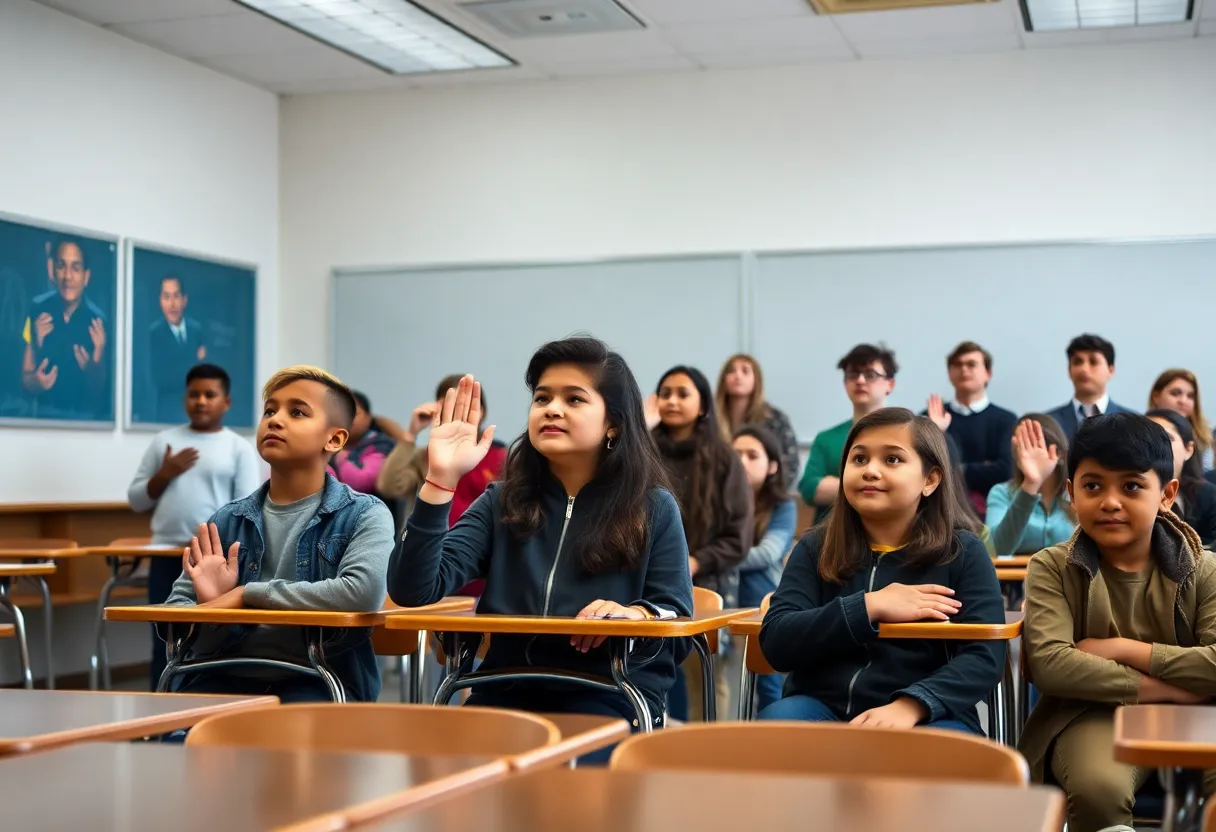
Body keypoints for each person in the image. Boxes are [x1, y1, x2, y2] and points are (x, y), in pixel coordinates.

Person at [386, 338, 694, 754]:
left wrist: (635, 613)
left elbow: (676, 614)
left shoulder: (652, 506)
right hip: (502, 689)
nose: (551, 408)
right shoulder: (502, 500)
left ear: (613, 423)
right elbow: (412, 590)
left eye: (575, 399)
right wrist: (440, 480)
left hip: (610, 692)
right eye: (542, 397)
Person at [1018, 413, 1216, 832]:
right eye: (1093, 486)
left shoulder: (1205, 568)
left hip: (1206, 717)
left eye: (1131, 486)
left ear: (1166, 494)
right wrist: (1173, 692)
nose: (1110, 501)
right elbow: (1053, 665)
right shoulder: (1052, 566)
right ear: (1072, 493)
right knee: (1097, 789)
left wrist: (1123, 648)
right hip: (1094, 713)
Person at [758, 408, 1005, 732]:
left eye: (892, 460)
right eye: (859, 459)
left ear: (930, 479)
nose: (870, 471)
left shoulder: (963, 552)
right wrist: (868, 606)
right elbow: (777, 641)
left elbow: (985, 655)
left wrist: (913, 704)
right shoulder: (815, 548)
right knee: (774, 730)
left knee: (946, 758)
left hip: (932, 715)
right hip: (820, 707)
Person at [164, 365, 395, 703]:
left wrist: (247, 594)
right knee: (175, 748)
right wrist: (209, 607)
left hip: (318, 681)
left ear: (334, 439)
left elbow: (363, 592)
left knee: (282, 750)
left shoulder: (363, 514)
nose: (275, 420)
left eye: (297, 412)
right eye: (270, 410)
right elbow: (174, 615)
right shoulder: (228, 519)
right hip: (221, 675)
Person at [128, 364, 263, 689]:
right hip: (165, 554)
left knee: (210, 639)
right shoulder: (165, 442)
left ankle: (203, 709)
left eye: (210, 395)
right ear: (185, 399)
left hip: (215, 563)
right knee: (165, 639)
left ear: (226, 402)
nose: (201, 401)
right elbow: (136, 500)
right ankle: (161, 717)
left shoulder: (238, 447)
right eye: (194, 394)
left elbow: (247, 507)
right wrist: (165, 473)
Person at [653, 365, 752, 720]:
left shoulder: (724, 458)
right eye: (665, 393)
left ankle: (709, 756)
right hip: (644, 585)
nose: (672, 401)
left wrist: (695, 562)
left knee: (708, 680)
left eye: (682, 393)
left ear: (703, 405)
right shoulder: (641, 453)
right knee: (644, 674)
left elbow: (739, 536)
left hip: (707, 582)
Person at [377, 374, 508, 525]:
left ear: (481, 411)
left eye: (466, 404)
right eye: (451, 405)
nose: (460, 411)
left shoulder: (500, 457)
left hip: (479, 544)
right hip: (431, 540)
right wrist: (411, 435)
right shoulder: (426, 456)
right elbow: (389, 487)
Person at [732, 424, 796, 713]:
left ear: (772, 466)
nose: (741, 462)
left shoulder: (783, 505)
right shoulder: (719, 501)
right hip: (723, 601)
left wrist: (715, 557)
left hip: (763, 603)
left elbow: (768, 553)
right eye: (735, 455)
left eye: (751, 455)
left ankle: (771, 743)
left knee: (769, 683)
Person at [799, 343, 897, 520]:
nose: (860, 380)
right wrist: (875, 488)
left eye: (870, 375)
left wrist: (838, 486)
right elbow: (809, 488)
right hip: (830, 537)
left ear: (889, 384)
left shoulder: (905, 435)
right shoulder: (826, 439)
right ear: (845, 383)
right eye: (853, 374)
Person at [925, 341, 1017, 516]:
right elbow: (924, 470)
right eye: (957, 365)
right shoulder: (932, 417)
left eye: (971, 364)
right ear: (949, 373)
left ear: (987, 373)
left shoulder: (1006, 419)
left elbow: (1005, 471)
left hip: (993, 512)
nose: (964, 369)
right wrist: (983, 467)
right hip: (940, 511)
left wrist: (953, 469)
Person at [21, 236, 108, 419]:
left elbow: (101, 394)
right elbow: (25, 377)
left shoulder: (99, 322)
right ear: (52, 271)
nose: (67, 276)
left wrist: (95, 364)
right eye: (62, 266)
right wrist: (36, 383)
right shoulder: (35, 310)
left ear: (86, 276)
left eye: (75, 268)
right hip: (41, 422)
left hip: (86, 424)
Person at [985, 415, 1077, 558]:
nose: (1025, 453)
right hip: (1015, 578)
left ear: (1059, 453)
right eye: (1019, 445)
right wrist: (1031, 483)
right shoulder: (1001, 493)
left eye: (1033, 443)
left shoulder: (1076, 492)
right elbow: (998, 549)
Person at [714, 355, 799, 490]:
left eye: (745, 371)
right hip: (718, 495)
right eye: (731, 371)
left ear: (756, 380)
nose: (737, 376)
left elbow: (790, 466)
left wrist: (770, 496)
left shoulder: (775, 419)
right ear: (723, 379)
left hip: (764, 497)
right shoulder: (710, 419)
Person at [1146, 409, 1216, 547]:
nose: (1156, 445)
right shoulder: (1126, 489)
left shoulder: (1209, 495)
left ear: (1188, 449)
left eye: (1167, 438)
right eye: (1147, 438)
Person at [1045, 334, 1134, 439]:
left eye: (1093, 362)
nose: (1084, 369)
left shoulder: (1133, 424)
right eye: (1078, 362)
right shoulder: (1047, 424)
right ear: (1069, 370)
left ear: (1111, 370)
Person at [146, 276, 207, 424]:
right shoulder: (154, 333)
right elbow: (160, 379)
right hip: (169, 414)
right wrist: (194, 361)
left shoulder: (196, 329)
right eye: (166, 297)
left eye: (176, 296)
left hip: (197, 413)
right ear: (160, 301)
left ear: (184, 300)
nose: (171, 304)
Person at [329, 390, 396, 496]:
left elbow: (361, 483)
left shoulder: (381, 446)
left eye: (354, 413)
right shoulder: (326, 443)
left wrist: (340, 457)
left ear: (368, 417)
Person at [1148, 369, 1214, 471]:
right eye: (1175, 393)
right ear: (1156, 397)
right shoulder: (1139, 431)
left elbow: (1205, 476)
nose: (1183, 401)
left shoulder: (1203, 437)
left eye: (1190, 396)